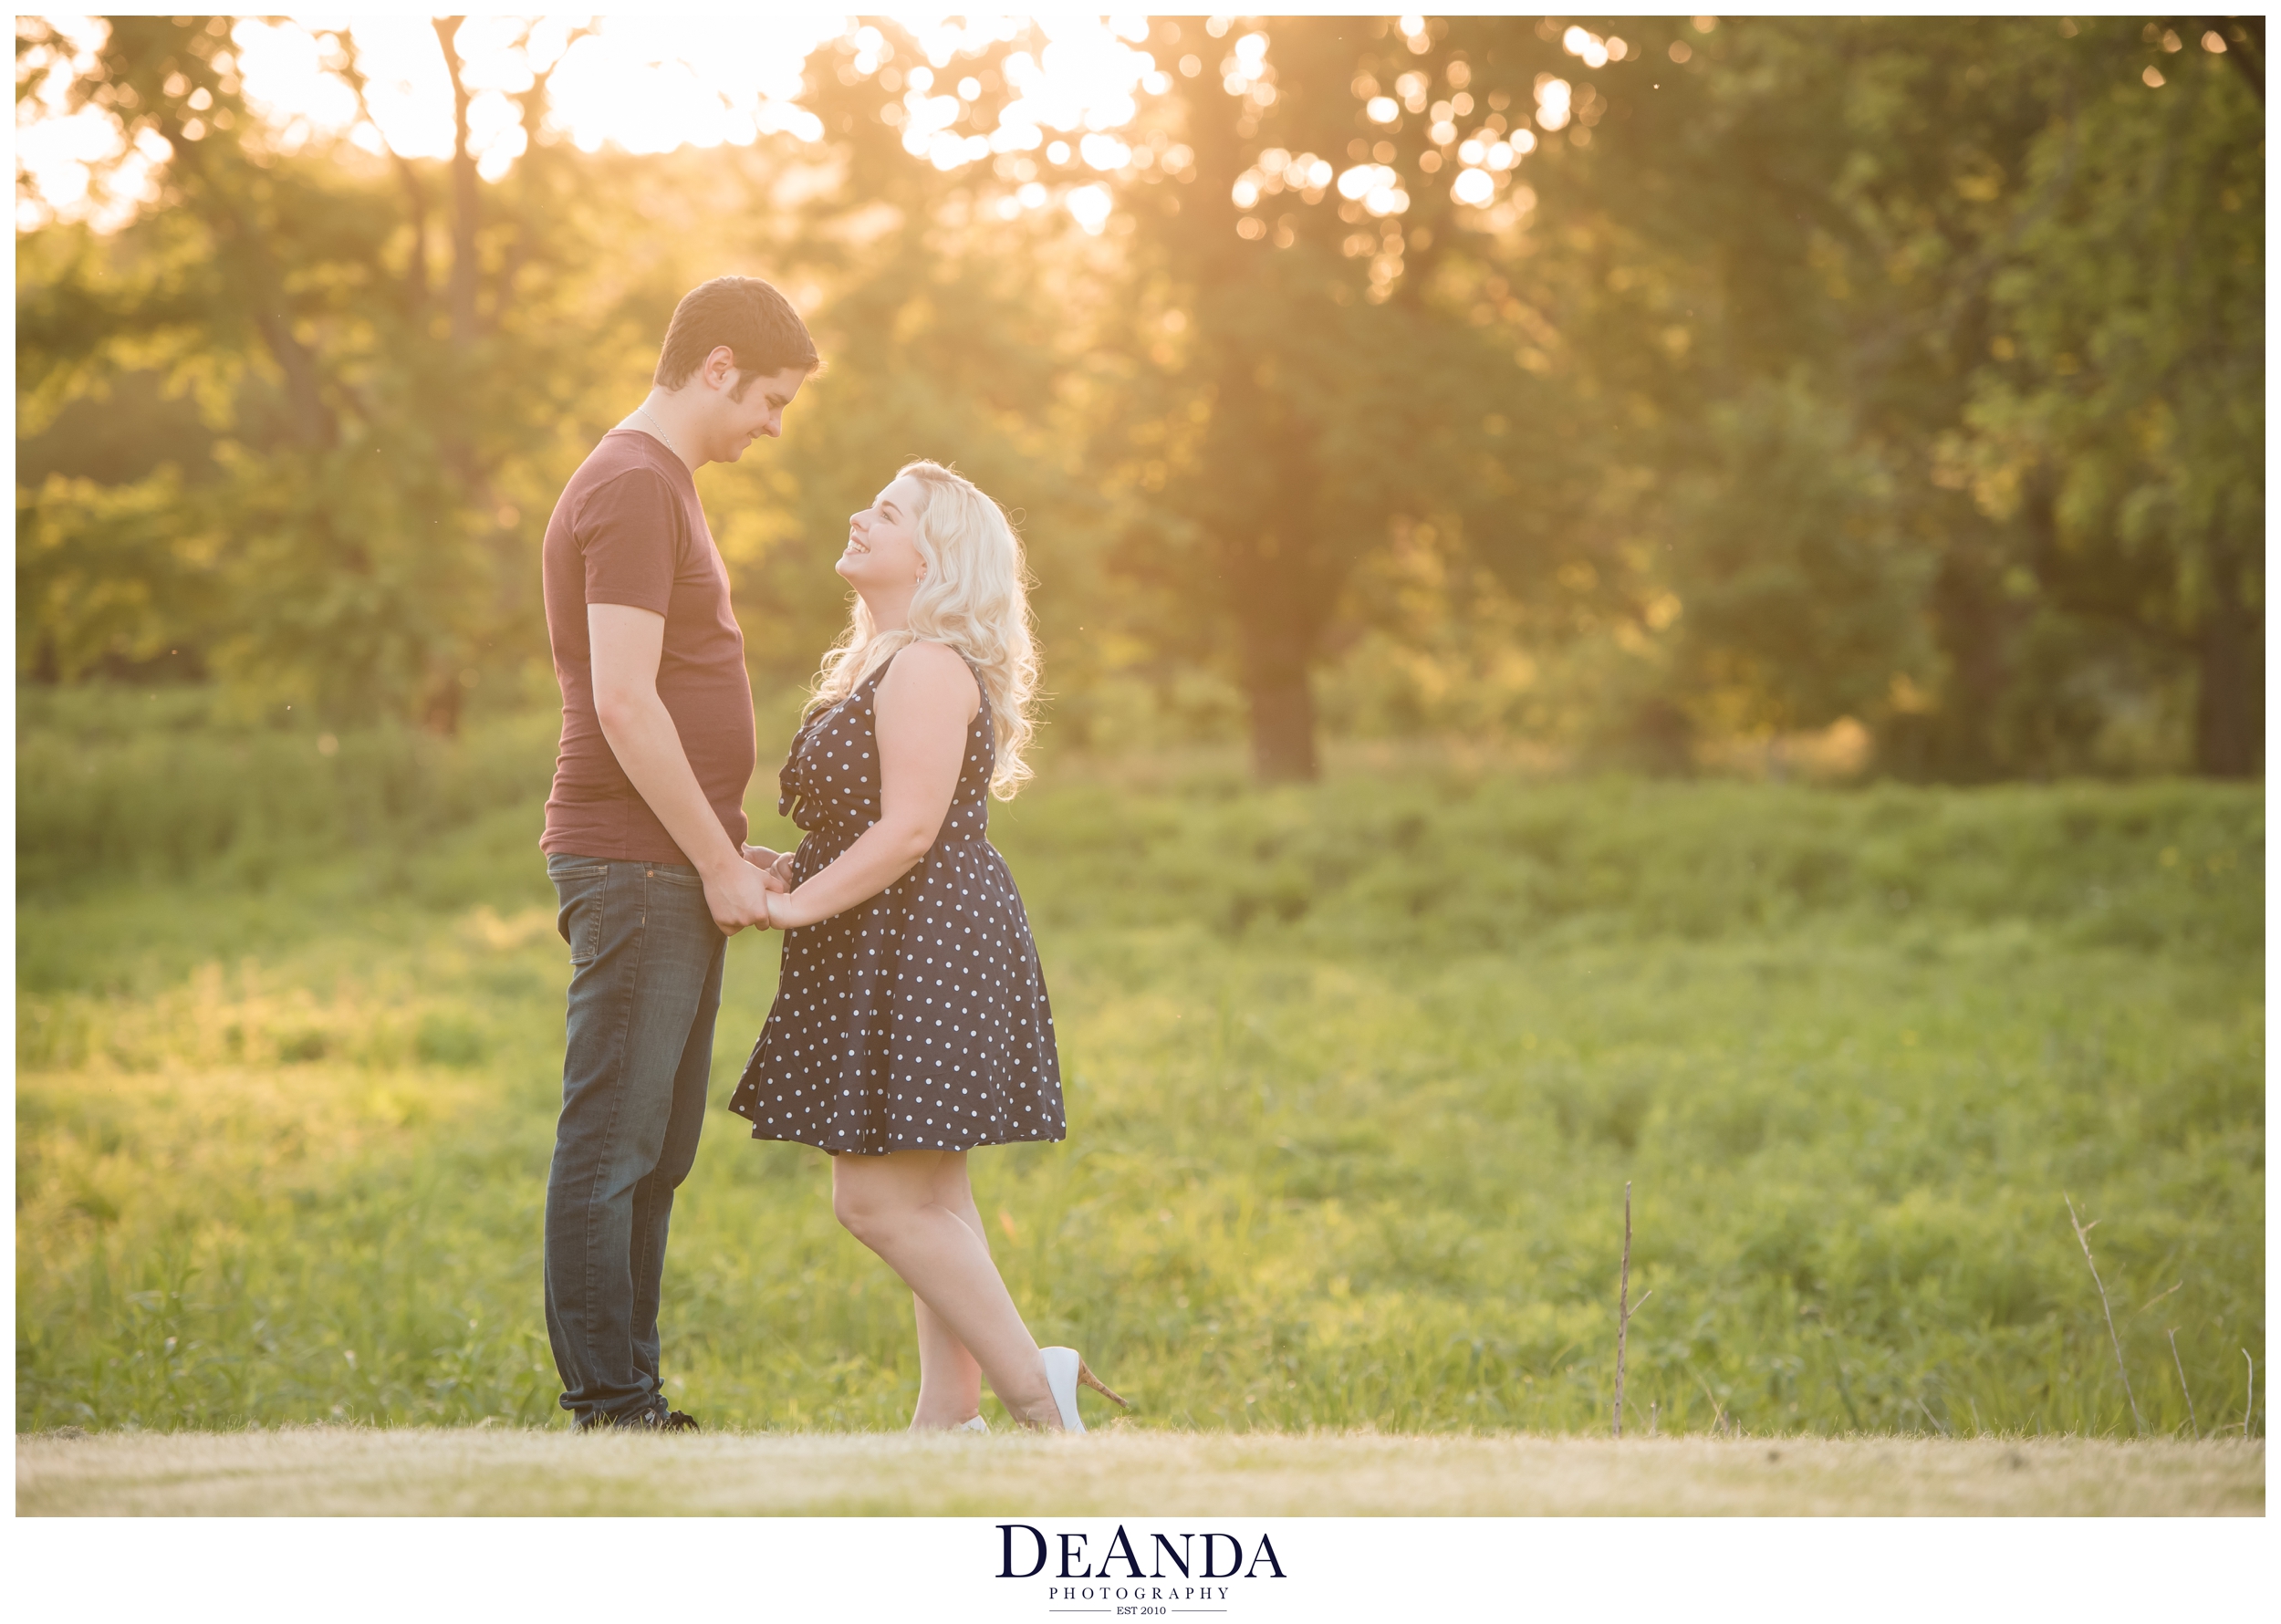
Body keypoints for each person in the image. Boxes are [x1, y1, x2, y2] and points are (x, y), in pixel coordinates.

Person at [728, 461, 1127, 1432]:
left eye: (889, 512)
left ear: (935, 556)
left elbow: (909, 831)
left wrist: (792, 910)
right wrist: (793, 866)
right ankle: (948, 1419)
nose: (861, 516)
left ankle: (1039, 1394)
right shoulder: (884, 661)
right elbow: (878, 823)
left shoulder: (927, 665)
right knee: (933, 1193)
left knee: (874, 1201)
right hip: (892, 933)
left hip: (924, 938)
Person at [537, 276, 818, 1431]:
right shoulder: (635, 485)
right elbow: (625, 702)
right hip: (638, 865)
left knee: (656, 1152)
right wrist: (715, 863)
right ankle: (612, 1407)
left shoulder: (665, 486)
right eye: (770, 398)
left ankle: (635, 1400)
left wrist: (735, 853)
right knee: (612, 1145)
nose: (773, 424)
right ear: (715, 368)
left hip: (676, 865)